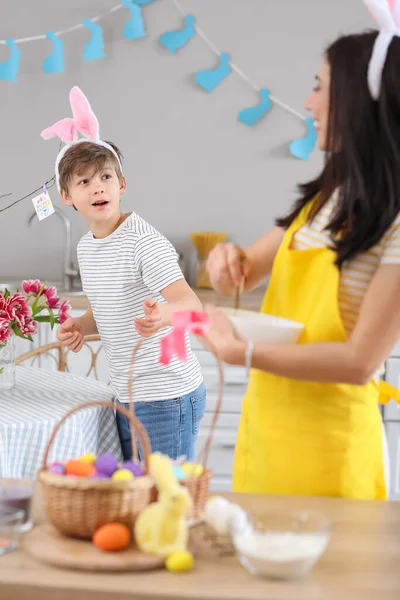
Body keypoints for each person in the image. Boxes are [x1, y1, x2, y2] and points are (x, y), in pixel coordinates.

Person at [204, 6, 400, 500]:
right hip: (270, 425)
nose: (308, 103)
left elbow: (360, 361)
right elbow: (241, 274)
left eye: (320, 86)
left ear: (358, 100)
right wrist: (224, 259)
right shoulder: (322, 199)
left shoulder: (395, 220)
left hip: (332, 444)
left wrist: (242, 352)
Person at [41, 86, 206, 462]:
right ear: (67, 196)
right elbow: (110, 306)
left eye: (105, 177)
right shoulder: (88, 247)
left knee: (164, 497)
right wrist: (82, 324)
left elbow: (191, 305)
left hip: (167, 395)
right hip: (128, 392)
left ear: (122, 184)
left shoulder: (143, 242)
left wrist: (161, 314)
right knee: (136, 494)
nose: (97, 186)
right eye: (84, 181)